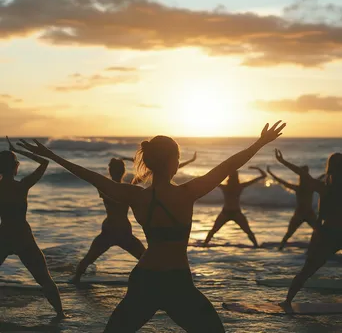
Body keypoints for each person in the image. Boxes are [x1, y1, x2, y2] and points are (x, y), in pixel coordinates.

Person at [17, 120, 285, 332]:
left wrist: (54, 156)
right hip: (176, 281)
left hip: (145, 278)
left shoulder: (136, 196)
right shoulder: (187, 193)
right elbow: (227, 166)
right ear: (173, 162)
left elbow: (92, 178)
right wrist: (260, 143)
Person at [72, 152, 198, 283]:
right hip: (111, 231)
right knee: (88, 259)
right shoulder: (119, 187)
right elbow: (156, 170)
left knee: (147, 259)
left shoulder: (114, 187)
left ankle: (75, 280)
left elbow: (158, 170)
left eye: (119, 169)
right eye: (119, 169)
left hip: (123, 232)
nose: (119, 172)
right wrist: (132, 160)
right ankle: (75, 281)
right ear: (119, 171)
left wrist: (188, 162)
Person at [0, 137, 65, 318]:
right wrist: (19, 151)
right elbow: (44, 162)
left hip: (3, 235)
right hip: (22, 236)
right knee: (44, 279)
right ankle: (61, 314)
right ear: (16, 167)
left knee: (44, 278)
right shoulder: (22, 186)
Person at [279, 153, 342, 311]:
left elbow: (302, 175)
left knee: (308, 269)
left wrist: (283, 161)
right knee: (308, 268)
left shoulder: (324, 187)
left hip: (328, 233)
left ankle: (287, 301)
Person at [268, 149, 325, 250]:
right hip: (299, 213)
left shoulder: (310, 185)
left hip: (309, 213)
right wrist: (271, 174)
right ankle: (279, 249)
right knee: (289, 233)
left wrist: (328, 173)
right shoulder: (301, 187)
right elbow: (282, 182)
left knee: (320, 232)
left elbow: (322, 177)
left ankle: (319, 249)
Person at [204, 166, 267, 247]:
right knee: (248, 232)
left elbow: (209, 180)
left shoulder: (226, 187)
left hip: (231, 213)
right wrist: (257, 169)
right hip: (230, 213)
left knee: (213, 231)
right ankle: (256, 246)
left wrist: (218, 171)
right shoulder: (238, 186)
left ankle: (204, 244)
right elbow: (263, 176)